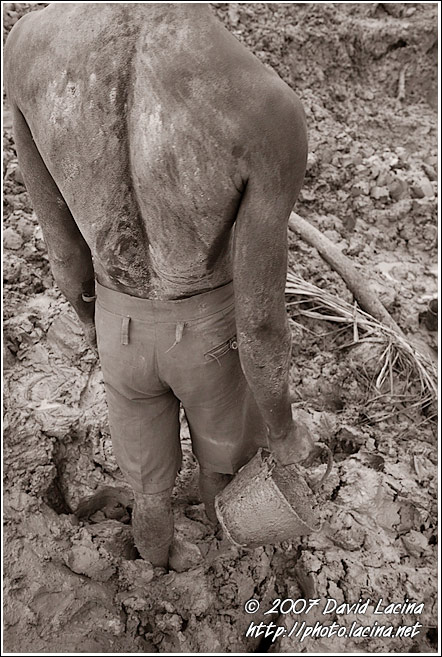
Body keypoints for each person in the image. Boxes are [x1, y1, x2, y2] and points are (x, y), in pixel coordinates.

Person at [5, 3, 312, 568]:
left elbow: (66, 255)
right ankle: (221, 567)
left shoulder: (28, 46)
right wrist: (283, 427)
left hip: (117, 321)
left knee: (149, 487)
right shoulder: (264, 106)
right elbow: (261, 320)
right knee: (223, 466)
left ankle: (156, 560)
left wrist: (97, 327)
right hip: (210, 333)